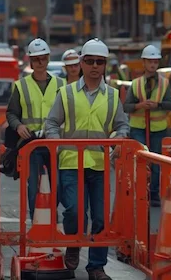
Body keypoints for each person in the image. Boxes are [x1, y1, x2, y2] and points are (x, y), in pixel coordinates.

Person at [44, 39, 128, 280]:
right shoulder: (67, 93)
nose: (94, 66)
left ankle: (96, 267)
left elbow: (122, 124)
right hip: (71, 162)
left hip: (99, 165)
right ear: (81, 63)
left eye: (99, 62)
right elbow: (51, 123)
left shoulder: (112, 96)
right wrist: (55, 143)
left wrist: (120, 139)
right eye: (89, 61)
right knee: (75, 212)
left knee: (100, 218)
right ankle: (73, 243)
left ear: (105, 65)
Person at [6, 39, 66, 217]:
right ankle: (36, 222)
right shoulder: (21, 86)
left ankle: (50, 218)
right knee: (33, 186)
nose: (40, 63)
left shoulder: (61, 85)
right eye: (36, 59)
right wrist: (18, 126)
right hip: (31, 144)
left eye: (44, 59)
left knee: (57, 186)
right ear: (31, 61)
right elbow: (11, 113)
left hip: (55, 143)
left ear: (48, 59)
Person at [123, 44, 171, 207]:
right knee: (140, 161)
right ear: (144, 63)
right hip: (138, 128)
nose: (153, 65)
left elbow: (170, 104)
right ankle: (140, 192)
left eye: (155, 62)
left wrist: (157, 104)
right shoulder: (136, 84)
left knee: (157, 163)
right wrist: (140, 106)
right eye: (150, 62)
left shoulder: (165, 83)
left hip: (158, 129)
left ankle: (153, 194)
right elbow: (126, 106)